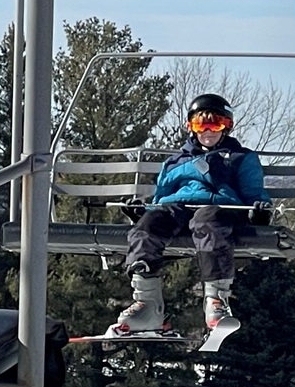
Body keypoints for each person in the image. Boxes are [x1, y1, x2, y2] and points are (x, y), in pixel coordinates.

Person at [109, 93, 269, 336]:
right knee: (148, 226)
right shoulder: (176, 162)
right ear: (191, 127)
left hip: (219, 210)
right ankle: (147, 304)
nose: (207, 131)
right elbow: (161, 197)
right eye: (200, 125)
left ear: (227, 126)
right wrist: (142, 213)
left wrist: (259, 212)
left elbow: (253, 190)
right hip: (178, 209)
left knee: (207, 222)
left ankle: (216, 299)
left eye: (215, 124)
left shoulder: (239, 158)